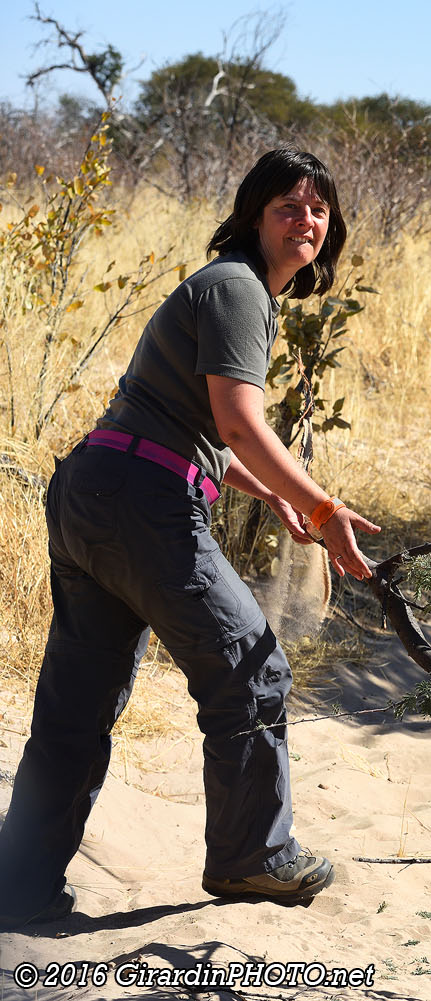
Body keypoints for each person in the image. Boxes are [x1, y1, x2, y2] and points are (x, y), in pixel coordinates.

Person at [0, 148, 380, 929]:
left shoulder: (227, 289)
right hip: (143, 504)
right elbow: (241, 421)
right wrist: (320, 508)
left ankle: (17, 885)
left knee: (75, 712)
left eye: (318, 208)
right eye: (288, 204)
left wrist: (273, 492)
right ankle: (252, 856)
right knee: (251, 665)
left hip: (91, 489)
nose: (305, 218)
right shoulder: (239, 287)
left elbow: (192, 431)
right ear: (251, 214)